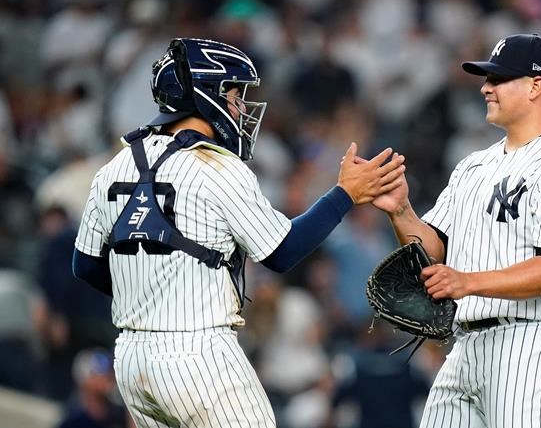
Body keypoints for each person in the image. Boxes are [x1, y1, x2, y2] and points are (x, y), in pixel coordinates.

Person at [72, 37, 405, 428]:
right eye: (234, 93)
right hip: (198, 353)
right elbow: (281, 253)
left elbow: (86, 266)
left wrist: (153, 294)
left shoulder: (115, 166)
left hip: (130, 358)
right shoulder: (216, 167)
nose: (241, 106)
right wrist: (345, 194)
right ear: (207, 94)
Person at [369, 33, 541, 428]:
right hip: (466, 346)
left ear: (535, 86)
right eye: (487, 79)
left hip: (531, 345)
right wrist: (401, 211)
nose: (485, 87)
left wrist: (466, 282)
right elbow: (433, 252)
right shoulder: (473, 166)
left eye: (498, 79)